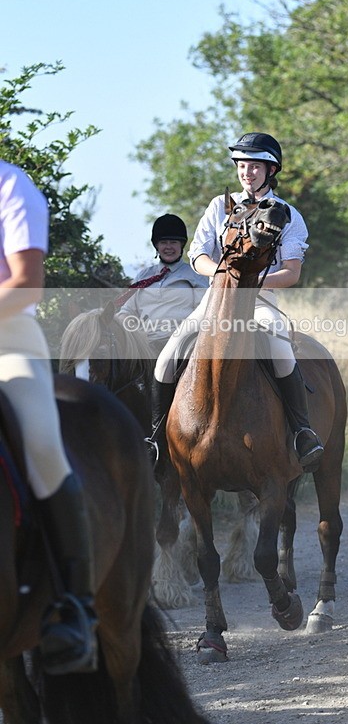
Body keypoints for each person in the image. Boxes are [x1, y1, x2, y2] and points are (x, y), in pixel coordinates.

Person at [145, 132, 324, 472]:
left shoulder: (288, 214)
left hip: (260, 302)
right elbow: (197, 254)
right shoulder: (219, 206)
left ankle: (302, 432)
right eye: (242, 166)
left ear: (271, 171)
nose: (246, 173)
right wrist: (222, 277)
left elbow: (291, 273)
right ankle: (155, 438)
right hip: (216, 300)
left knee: (281, 349)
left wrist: (250, 284)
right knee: (170, 353)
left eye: (254, 166)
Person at [0, 159, 97, 673]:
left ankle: (74, 605)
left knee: (40, 441)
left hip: (6, 336)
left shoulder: (11, 186)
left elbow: (27, 283)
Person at [116, 214, 208, 356]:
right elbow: (126, 312)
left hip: (181, 344)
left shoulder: (195, 275)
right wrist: (134, 330)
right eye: (164, 242)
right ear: (157, 246)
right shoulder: (143, 276)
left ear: (181, 245)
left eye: (173, 242)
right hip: (145, 344)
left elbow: (203, 313)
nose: (169, 247)